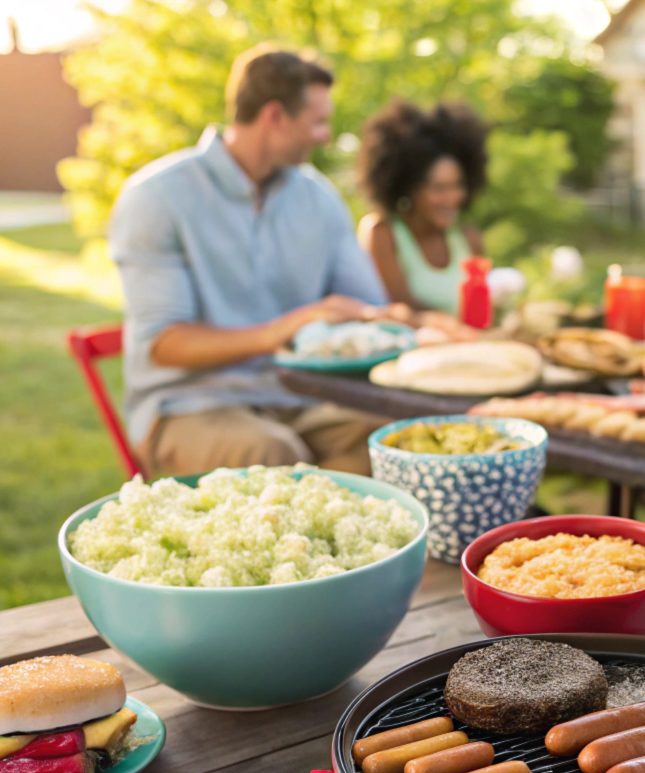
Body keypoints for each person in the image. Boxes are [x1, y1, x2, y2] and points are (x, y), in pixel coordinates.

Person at [110, 44, 404, 477]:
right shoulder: (156, 197)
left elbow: (366, 310)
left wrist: (428, 328)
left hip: (294, 397)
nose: (325, 135)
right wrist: (277, 332)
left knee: (396, 440)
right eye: (318, 122)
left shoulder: (318, 198)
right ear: (275, 117)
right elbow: (165, 343)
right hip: (189, 404)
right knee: (273, 454)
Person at [357, 100, 487, 327]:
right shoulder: (382, 233)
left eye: (458, 185)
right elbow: (398, 309)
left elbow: (479, 317)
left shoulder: (469, 240)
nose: (452, 198)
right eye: (438, 188)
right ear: (409, 187)